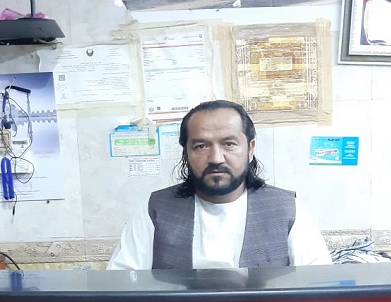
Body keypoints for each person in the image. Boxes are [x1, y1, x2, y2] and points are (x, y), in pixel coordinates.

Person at [107, 100, 332, 270]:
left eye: (229, 144)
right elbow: (122, 283)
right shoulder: (155, 209)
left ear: (250, 148)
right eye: (201, 146)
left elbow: (319, 285)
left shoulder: (285, 209)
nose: (216, 158)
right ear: (186, 152)